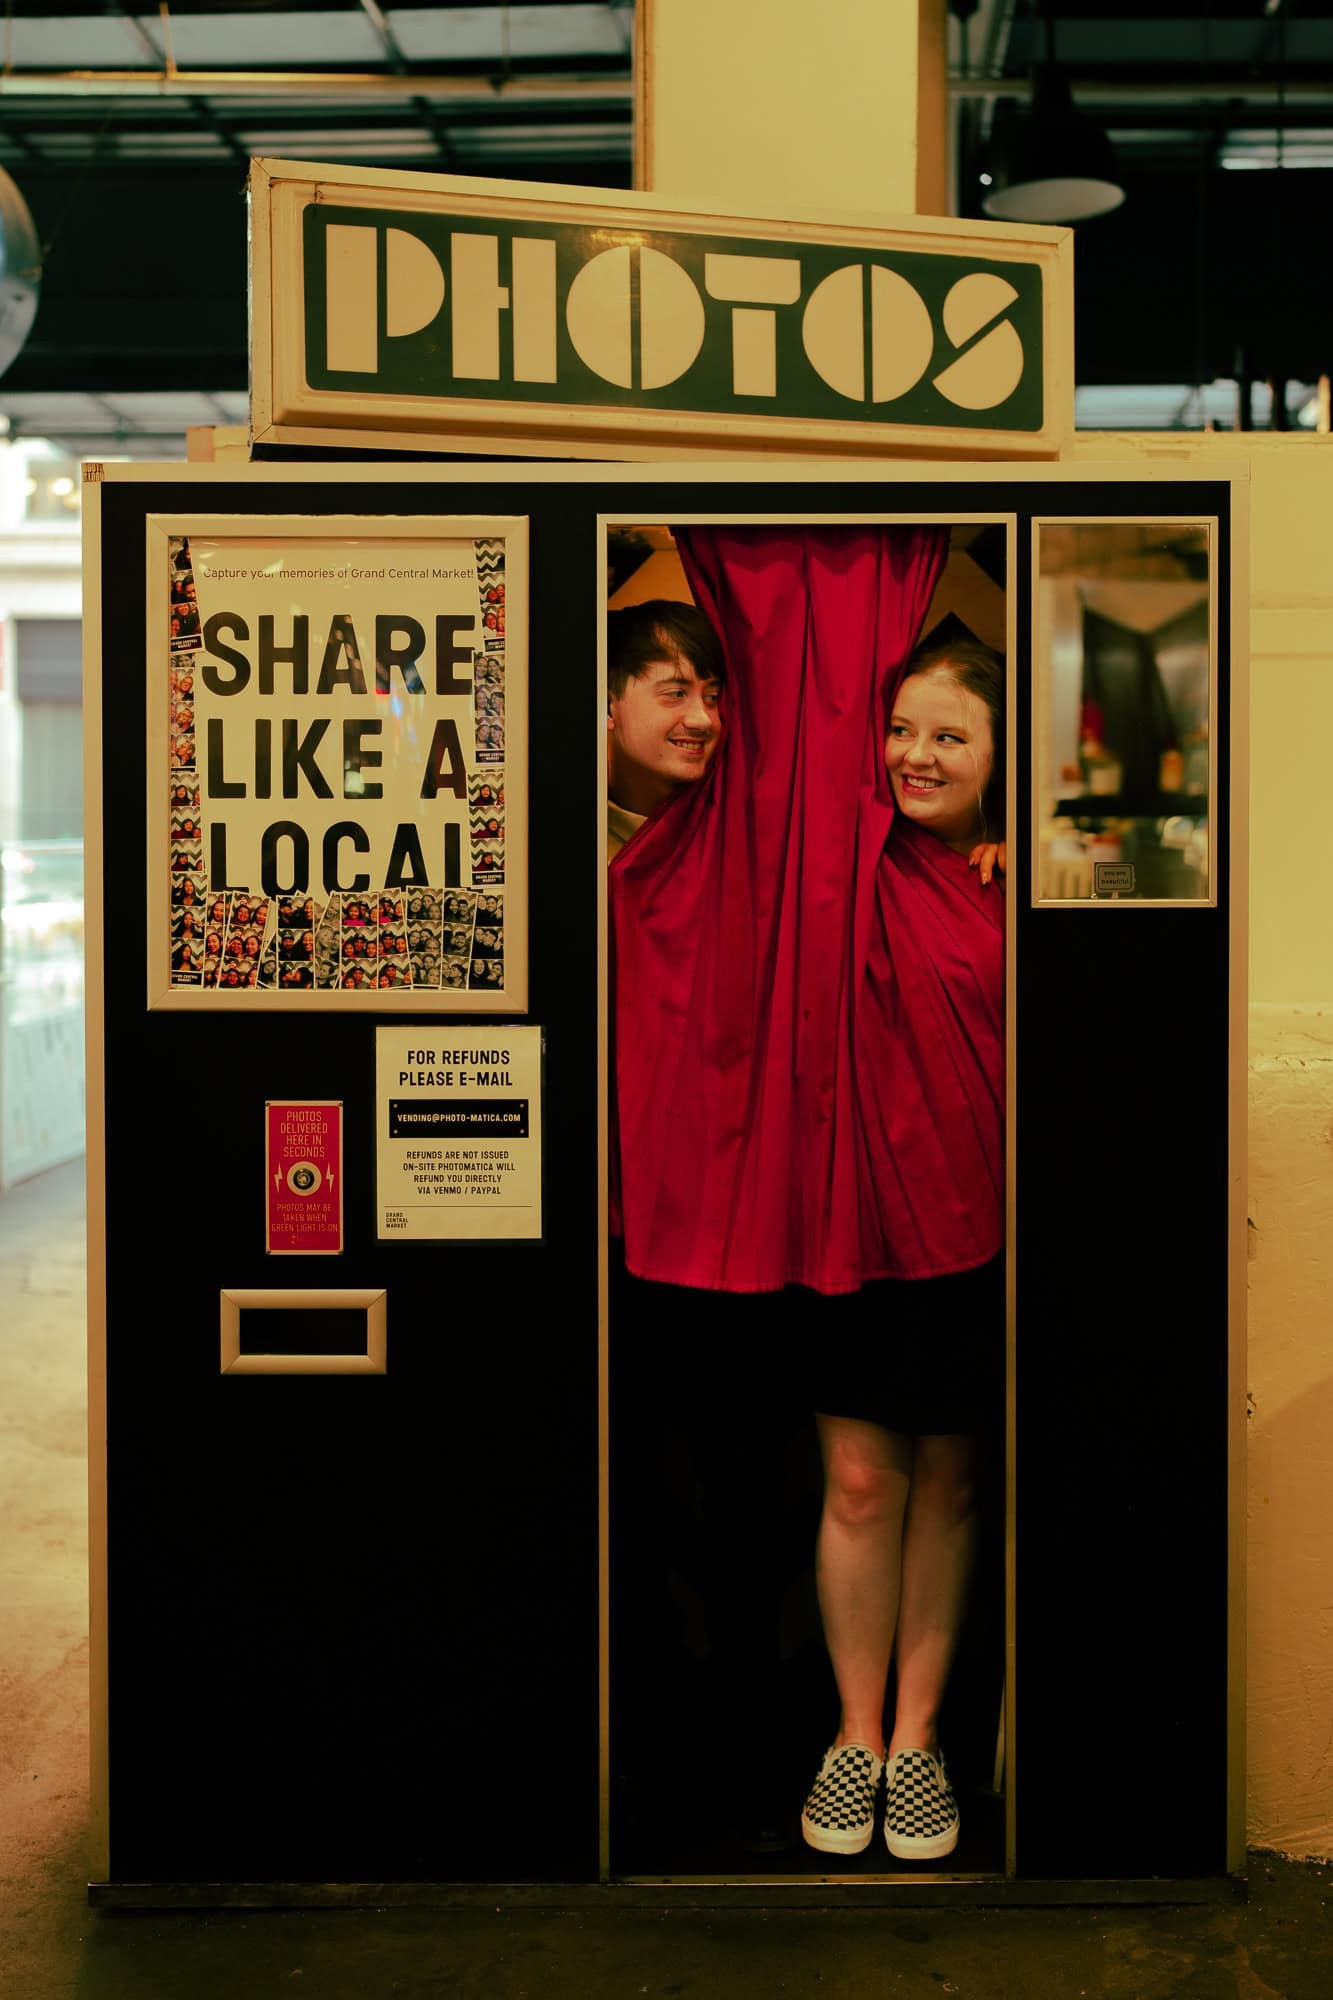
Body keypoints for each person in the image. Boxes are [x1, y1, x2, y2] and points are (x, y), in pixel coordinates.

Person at [799, 640, 1006, 1864]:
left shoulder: (1014, 882)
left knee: (952, 1482)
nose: (917, 756)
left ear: (994, 758)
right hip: (851, 1212)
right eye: (900, 730)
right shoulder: (837, 863)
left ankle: (919, 1739)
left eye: (949, 736)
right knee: (860, 1482)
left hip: (978, 1219)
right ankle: (852, 1736)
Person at [606, 600, 725, 859]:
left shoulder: (726, 832)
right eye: (676, 694)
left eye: (712, 697)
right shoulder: (570, 836)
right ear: (608, 707)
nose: (703, 720)